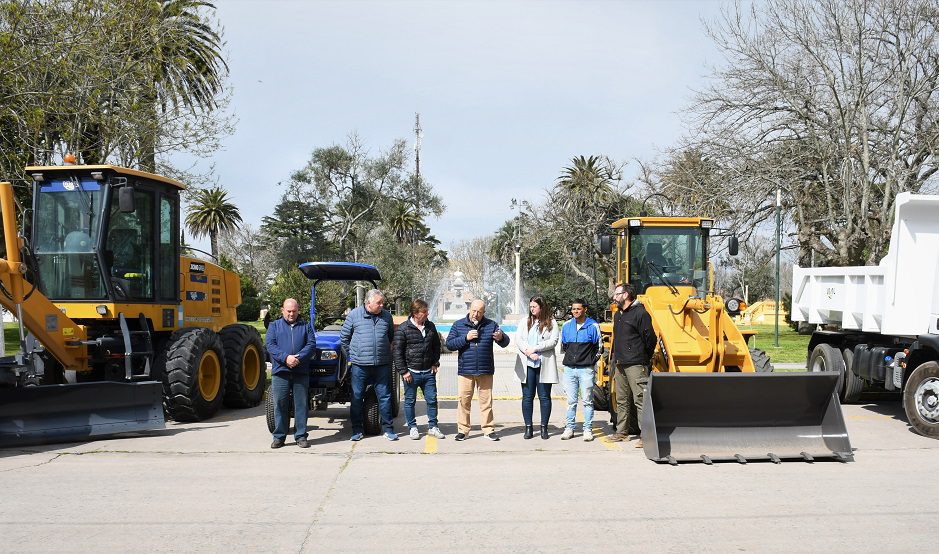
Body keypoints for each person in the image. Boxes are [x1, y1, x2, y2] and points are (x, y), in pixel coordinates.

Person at [445, 299, 510, 441]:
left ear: (484, 312)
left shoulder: (491, 325)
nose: (476, 314)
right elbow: (449, 344)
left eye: (479, 312)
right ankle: (463, 430)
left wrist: (501, 337)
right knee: (464, 401)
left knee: (486, 402)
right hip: (465, 371)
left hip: (485, 370)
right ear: (469, 309)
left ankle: (488, 430)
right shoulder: (458, 325)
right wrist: (465, 338)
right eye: (474, 311)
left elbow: (505, 343)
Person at [340, 288, 397, 441]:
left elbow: (391, 337)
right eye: (379, 303)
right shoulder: (354, 315)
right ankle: (357, 430)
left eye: (382, 303)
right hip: (360, 366)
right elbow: (344, 338)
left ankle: (388, 429)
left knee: (385, 397)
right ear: (368, 302)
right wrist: (352, 356)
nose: (382, 305)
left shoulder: (386, 317)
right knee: (357, 397)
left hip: (382, 365)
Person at [608, 283, 657, 447]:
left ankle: (646, 436)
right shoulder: (618, 315)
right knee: (621, 399)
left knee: (640, 400)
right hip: (620, 363)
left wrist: (644, 357)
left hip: (636, 364)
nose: (614, 297)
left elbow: (651, 339)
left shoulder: (641, 313)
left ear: (626, 295)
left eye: (617, 294)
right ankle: (622, 432)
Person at [266, 298, 317, 449]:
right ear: (282, 310)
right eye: (288, 311)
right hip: (280, 371)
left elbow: (311, 344)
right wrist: (285, 358)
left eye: (294, 311)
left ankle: (301, 436)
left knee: (301, 405)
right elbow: (270, 345)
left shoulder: (306, 326)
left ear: (298, 310)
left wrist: (298, 358)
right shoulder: (274, 326)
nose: (291, 314)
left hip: (300, 371)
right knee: (280, 404)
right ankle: (279, 437)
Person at [393, 299, 445, 440]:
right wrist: (404, 371)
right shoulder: (404, 328)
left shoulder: (430, 326)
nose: (427, 314)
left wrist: (435, 363)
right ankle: (412, 427)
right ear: (416, 313)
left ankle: (433, 427)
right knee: (410, 401)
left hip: (428, 372)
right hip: (411, 373)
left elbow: (436, 346)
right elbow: (397, 352)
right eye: (424, 312)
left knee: (432, 400)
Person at [514, 296, 559, 440]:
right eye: (530, 306)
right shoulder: (525, 322)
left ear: (542, 307)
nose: (532, 309)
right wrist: (528, 351)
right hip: (527, 363)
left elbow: (554, 340)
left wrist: (536, 349)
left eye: (535, 306)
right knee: (527, 397)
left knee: (544, 397)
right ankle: (528, 427)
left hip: (543, 362)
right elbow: (519, 339)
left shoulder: (551, 322)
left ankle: (544, 427)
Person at [559, 299, 602, 441]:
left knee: (588, 401)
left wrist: (590, 362)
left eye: (578, 309)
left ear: (585, 309)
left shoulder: (593, 325)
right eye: (573, 309)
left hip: (586, 370)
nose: (575, 311)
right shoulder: (566, 326)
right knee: (571, 401)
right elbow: (564, 345)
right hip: (570, 369)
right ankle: (569, 428)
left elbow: (599, 348)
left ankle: (587, 429)